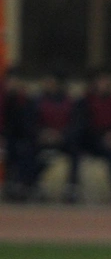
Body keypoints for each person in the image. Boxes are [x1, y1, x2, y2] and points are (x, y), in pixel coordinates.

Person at [68, 69, 111, 203]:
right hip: (89, 140)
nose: (104, 84)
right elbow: (81, 125)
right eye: (101, 81)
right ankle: (72, 186)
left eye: (106, 81)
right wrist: (101, 136)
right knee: (75, 152)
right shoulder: (85, 101)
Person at [31, 72, 77, 201]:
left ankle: (72, 186)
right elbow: (31, 122)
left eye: (51, 82)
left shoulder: (69, 102)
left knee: (75, 152)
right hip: (42, 140)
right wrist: (43, 133)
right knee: (33, 153)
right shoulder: (37, 101)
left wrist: (61, 135)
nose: (48, 85)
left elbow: (75, 124)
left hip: (63, 140)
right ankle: (33, 184)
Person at [1, 66, 38, 202]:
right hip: (6, 137)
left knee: (24, 149)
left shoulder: (25, 100)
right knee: (12, 148)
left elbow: (26, 124)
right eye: (10, 80)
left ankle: (21, 186)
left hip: (19, 138)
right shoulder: (3, 99)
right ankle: (13, 184)